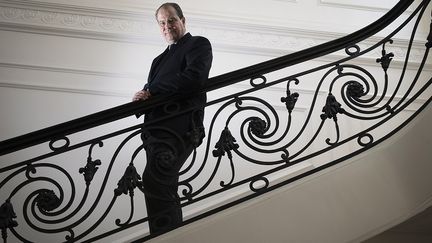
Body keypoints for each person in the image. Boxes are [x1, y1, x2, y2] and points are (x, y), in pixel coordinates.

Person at [132, 2, 213, 235]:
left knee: (156, 179)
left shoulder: (198, 44)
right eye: (162, 23)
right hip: (155, 130)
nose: (167, 26)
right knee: (158, 182)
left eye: (171, 20)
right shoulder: (158, 60)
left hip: (181, 125)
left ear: (183, 21)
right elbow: (152, 90)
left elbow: (194, 78)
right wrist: (141, 97)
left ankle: (168, 237)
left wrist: (152, 89)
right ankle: (170, 236)